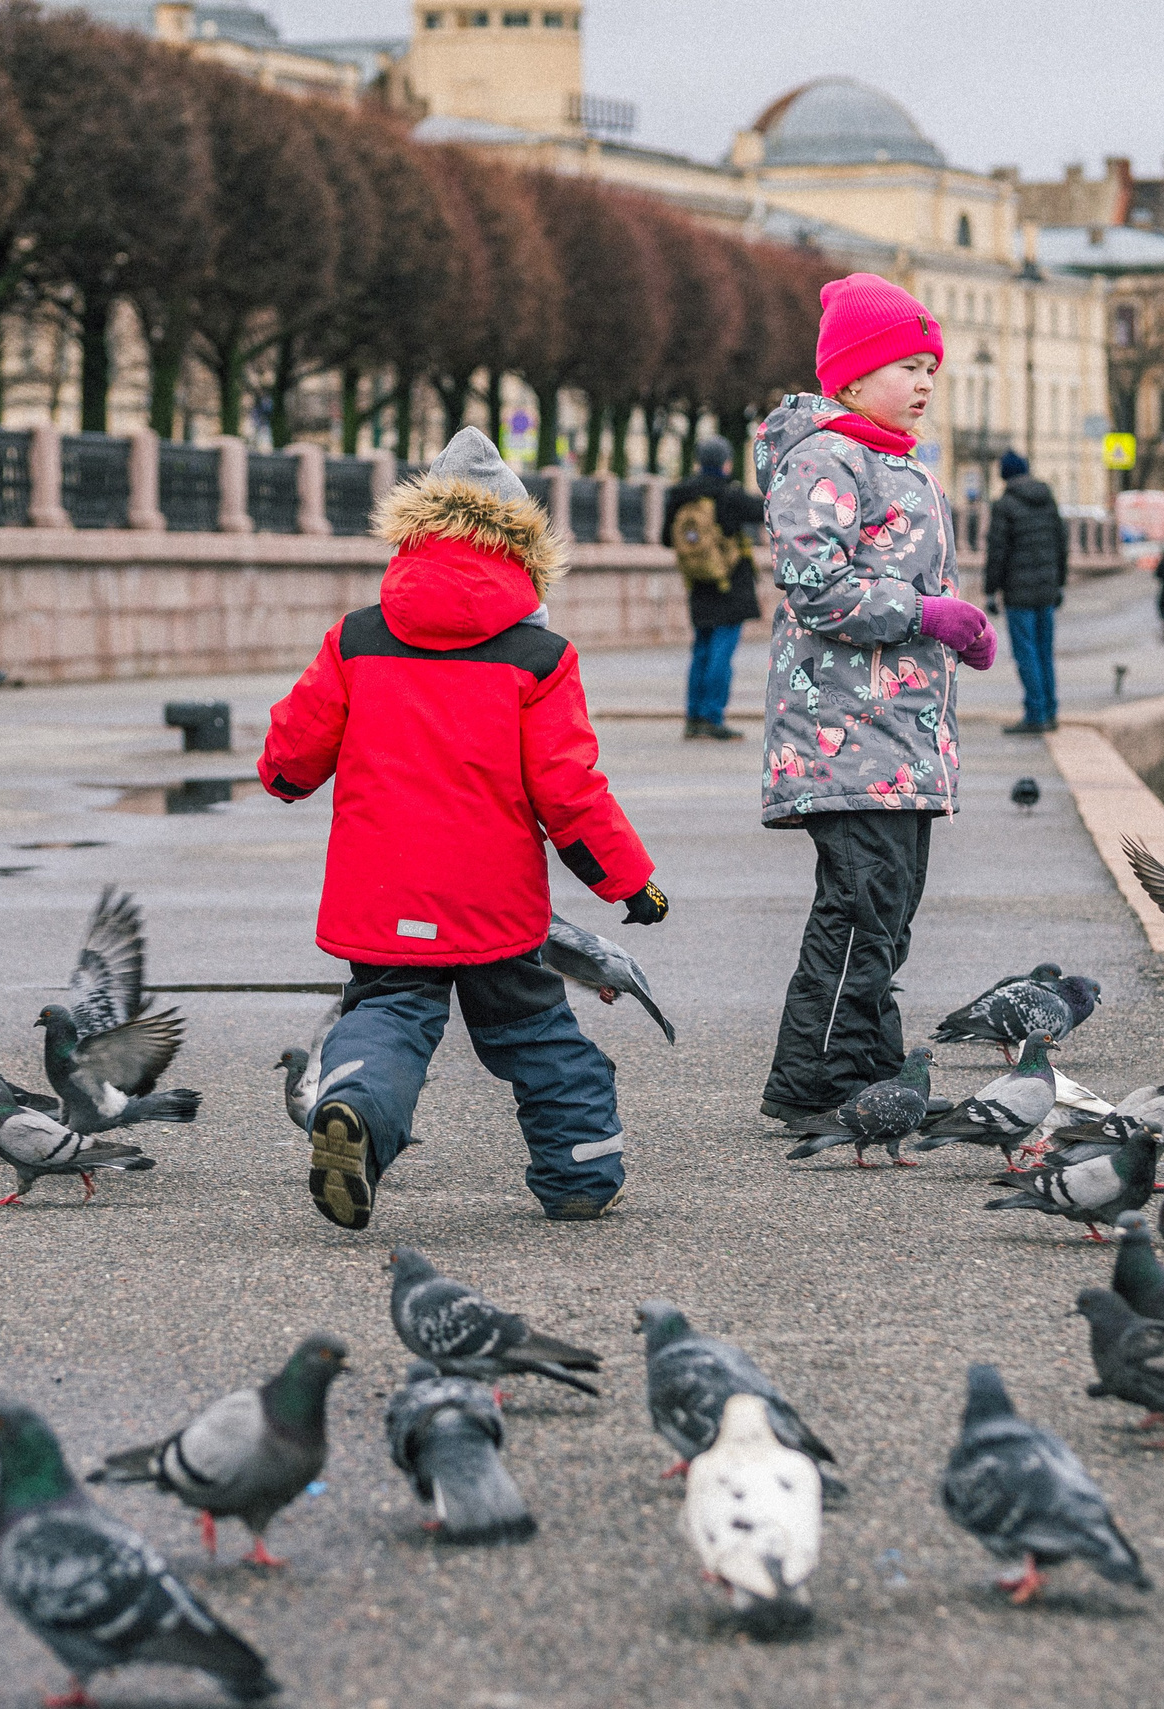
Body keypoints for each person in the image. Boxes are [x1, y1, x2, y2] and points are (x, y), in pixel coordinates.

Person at [259, 426, 664, 1230]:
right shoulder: (538, 655)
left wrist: (284, 777)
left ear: (411, 537)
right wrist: (628, 879)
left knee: (385, 1016)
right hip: (493, 901)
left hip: (379, 893)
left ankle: (356, 1114)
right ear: (524, 552)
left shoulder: (357, 637)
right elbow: (570, 790)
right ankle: (580, 1171)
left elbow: (294, 753)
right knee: (537, 1034)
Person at [754, 272, 993, 1123]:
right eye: (907, 364)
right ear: (851, 377)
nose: (926, 382)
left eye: (933, 366)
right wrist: (930, 613)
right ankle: (816, 1083)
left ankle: (869, 1073)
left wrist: (952, 629)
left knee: (885, 912)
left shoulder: (895, 461)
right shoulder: (825, 458)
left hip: (895, 733)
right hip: (844, 730)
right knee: (859, 910)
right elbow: (814, 584)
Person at [663, 434, 766, 741]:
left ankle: (693, 716)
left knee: (701, 649)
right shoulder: (728, 494)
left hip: (698, 583)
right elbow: (764, 512)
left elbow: (666, 538)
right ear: (726, 463)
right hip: (729, 582)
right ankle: (712, 715)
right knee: (722, 652)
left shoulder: (679, 494)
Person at [981, 448, 1068, 735]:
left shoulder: (1005, 505)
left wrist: (991, 591)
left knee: (1026, 653)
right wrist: (1060, 583)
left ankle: (1035, 714)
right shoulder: (1047, 498)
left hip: (1018, 593)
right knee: (1044, 651)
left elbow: (997, 551)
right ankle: (1050, 712)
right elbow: (1061, 542)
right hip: (1046, 589)